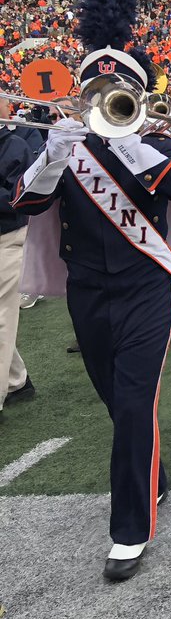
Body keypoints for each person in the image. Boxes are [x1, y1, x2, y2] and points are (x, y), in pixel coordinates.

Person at [11, 0, 171, 581]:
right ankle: (150, 478)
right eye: (94, 92)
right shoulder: (62, 147)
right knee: (115, 400)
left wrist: (127, 143)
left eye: (114, 92)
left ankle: (129, 530)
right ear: (82, 94)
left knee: (134, 402)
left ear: (132, 93)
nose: (104, 101)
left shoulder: (151, 144)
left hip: (146, 287)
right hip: (88, 292)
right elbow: (24, 203)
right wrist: (52, 156)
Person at [0, 122, 34, 411]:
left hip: (8, 237)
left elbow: (18, 197)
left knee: (0, 318)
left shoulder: (14, 145)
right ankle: (16, 381)